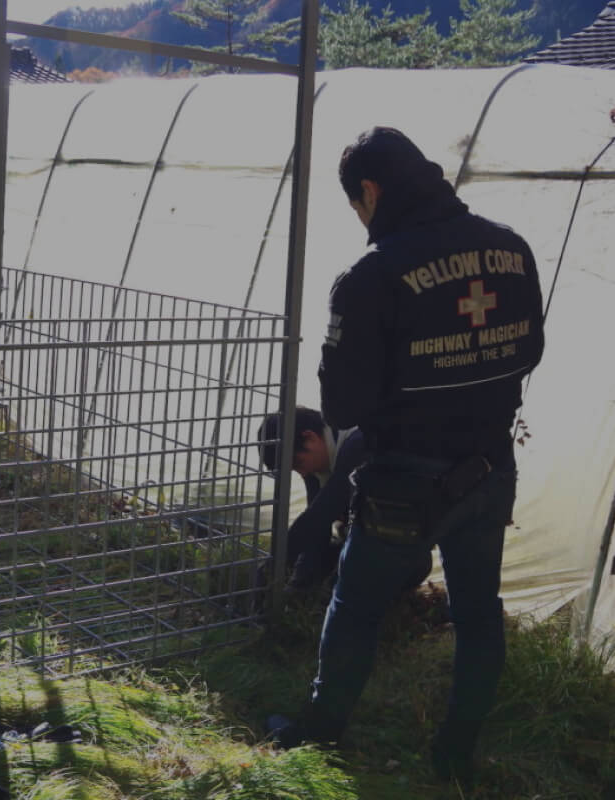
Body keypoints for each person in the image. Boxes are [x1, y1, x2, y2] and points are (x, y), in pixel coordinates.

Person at [267, 127, 544, 787]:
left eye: (356, 206)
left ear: (370, 190)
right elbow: (529, 350)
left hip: (403, 480)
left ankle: (319, 735)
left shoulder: (371, 276)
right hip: (488, 469)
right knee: (478, 613)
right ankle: (456, 756)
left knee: (356, 608)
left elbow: (341, 406)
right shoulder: (512, 248)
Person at [258, 406, 431, 591]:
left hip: (403, 545)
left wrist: (271, 567)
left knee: (345, 578)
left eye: (298, 464)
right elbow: (317, 533)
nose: (303, 473)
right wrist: (299, 584)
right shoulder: (316, 464)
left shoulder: (358, 443)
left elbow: (320, 515)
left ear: (310, 437)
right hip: (363, 539)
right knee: (323, 563)